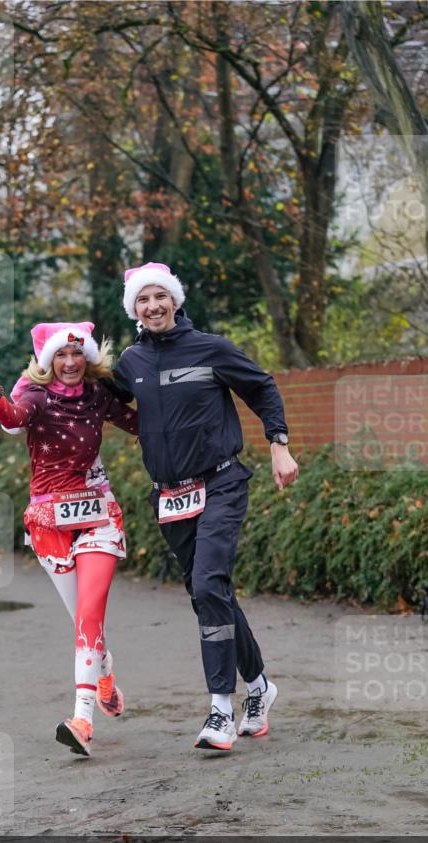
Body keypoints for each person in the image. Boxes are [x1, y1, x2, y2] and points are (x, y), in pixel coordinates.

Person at [112, 262, 299, 752]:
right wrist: (16, 402)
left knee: (209, 584)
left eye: (160, 296)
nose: (153, 305)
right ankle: (259, 687)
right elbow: (91, 397)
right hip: (169, 496)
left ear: (175, 300)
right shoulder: (131, 362)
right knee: (208, 592)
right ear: (134, 309)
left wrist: (279, 444)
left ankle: (221, 708)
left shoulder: (211, 348)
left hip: (220, 483)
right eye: (143, 299)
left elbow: (262, 386)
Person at [0, 322, 139, 757]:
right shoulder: (37, 398)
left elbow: (140, 423)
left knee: (89, 611)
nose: (71, 362)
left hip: (97, 515)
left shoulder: (98, 396)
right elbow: (14, 417)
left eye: (77, 354)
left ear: (88, 358)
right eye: (61, 355)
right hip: (49, 522)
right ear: (48, 361)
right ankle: (104, 671)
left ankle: (82, 719)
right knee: (81, 619)